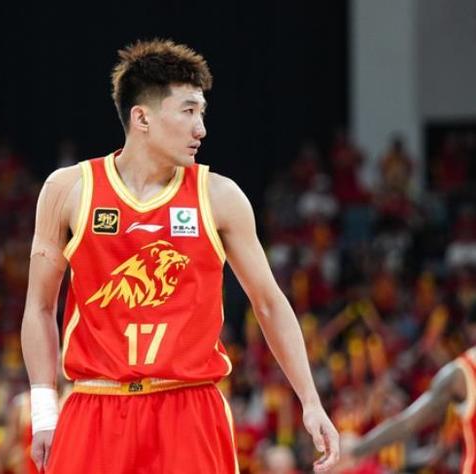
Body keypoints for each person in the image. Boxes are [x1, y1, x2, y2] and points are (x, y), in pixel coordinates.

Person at [21, 38, 339, 473]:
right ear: (142, 118)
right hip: (95, 403)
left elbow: (268, 302)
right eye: (188, 111)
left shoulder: (220, 196)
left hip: (189, 409)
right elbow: (39, 307)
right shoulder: (68, 189)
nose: (200, 129)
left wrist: (311, 401)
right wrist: (44, 412)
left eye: (202, 113)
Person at [344, 344, 476, 472]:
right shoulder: (461, 375)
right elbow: (407, 425)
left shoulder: (459, 375)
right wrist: (356, 451)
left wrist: (356, 451)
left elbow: (408, 424)